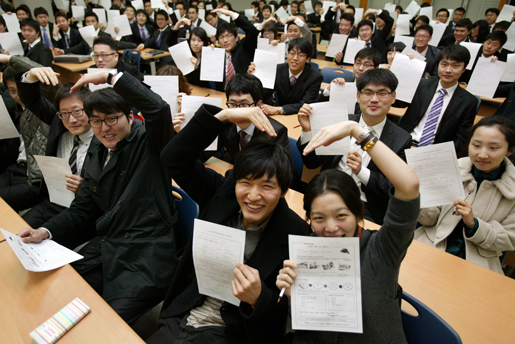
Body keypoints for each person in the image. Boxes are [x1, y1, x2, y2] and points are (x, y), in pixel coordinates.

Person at [18, 69, 178, 326]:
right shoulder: (97, 149)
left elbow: (159, 110)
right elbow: (83, 210)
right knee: (59, 295)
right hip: (108, 243)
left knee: (103, 326)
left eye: (112, 119)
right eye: (96, 121)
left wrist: (110, 76)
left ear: (130, 116)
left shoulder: (147, 142)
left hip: (145, 256)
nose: (104, 129)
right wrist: (45, 231)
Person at [147, 92, 305, 344]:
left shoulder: (295, 235)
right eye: (246, 183)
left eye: (267, 186)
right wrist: (224, 116)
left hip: (232, 330)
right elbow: (172, 158)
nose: (253, 196)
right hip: (185, 314)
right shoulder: (223, 194)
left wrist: (258, 297)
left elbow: (287, 320)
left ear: (284, 190)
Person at [277, 105, 420, 343]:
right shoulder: (307, 251)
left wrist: (357, 130)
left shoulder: (382, 249)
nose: (331, 228)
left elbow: (409, 187)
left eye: (341, 216)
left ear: (358, 214)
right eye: (319, 218)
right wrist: (295, 298)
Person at [298, 69, 412, 224]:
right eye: (368, 93)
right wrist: (307, 130)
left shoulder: (401, 139)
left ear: (393, 98)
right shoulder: (341, 121)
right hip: (326, 196)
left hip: (365, 207)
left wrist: (361, 171)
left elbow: (393, 187)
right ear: (358, 97)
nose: (374, 99)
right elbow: (312, 162)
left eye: (382, 93)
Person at [416, 116, 515, 274]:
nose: (482, 154)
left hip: (478, 262)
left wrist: (474, 224)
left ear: (510, 150)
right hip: (430, 245)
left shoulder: (512, 187)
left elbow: (510, 239)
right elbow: (430, 220)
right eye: (476, 145)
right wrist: (418, 201)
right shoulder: (451, 167)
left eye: (493, 148)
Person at [16, 66, 99, 230]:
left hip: (82, 210)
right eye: (65, 113)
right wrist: (30, 75)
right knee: (16, 232)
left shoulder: (103, 139)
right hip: (52, 202)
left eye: (77, 111)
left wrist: (85, 188)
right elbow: (31, 99)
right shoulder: (59, 124)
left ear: (90, 109)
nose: (72, 119)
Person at [396, 44, 478, 155]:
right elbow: (396, 102)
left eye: (455, 66)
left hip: (435, 152)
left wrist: (434, 153)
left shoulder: (469, 101)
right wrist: (403, 68)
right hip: (405, 144)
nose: (448, 70)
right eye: (444, 64)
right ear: (438, 65)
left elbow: (460, 141)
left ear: (464, 68)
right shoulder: (421, 85)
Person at [0, 55, 54, 213]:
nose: (18, 96)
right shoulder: (15, 108)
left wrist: (8, 58)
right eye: (12, 91)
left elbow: (40, 70)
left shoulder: (47, 107)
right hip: (15, 168)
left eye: (20, 89)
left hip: (36, 179)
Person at [258, 37, 323, 116]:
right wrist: (254, 75)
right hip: (278, 116)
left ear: (307, 59)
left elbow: (306, 104)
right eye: (292, 53)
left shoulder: (315, 77)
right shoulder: (278, 69)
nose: (295, 58)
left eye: (301, 55)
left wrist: (279, 109)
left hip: (300, 116)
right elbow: (264, 94)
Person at [213, 7, 259, 91]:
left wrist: (231, 14)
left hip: (243, 94)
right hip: (222, 95)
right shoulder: (217, 54)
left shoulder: (245, 47)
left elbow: (252, 30)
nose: (225, 40)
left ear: (236, 37)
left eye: (229, 36)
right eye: (221, 37)